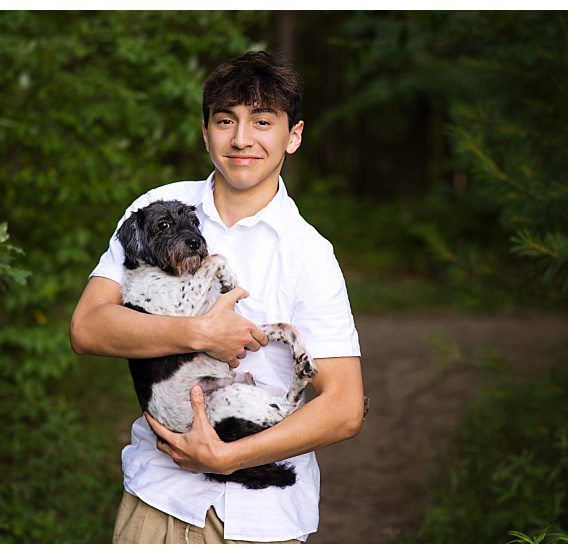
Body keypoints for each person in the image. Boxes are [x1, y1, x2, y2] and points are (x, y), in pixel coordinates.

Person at [68, 51, 367, 543]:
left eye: (262, 121)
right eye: (225, 120)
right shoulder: (157, 211)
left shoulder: (309, 254)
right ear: (206, 132)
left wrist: (227, 457)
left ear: (293, 136)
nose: (241, 138)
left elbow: (344, 406)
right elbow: (87, 328)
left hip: (263, 520)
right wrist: (197, 331)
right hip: (156, 500)